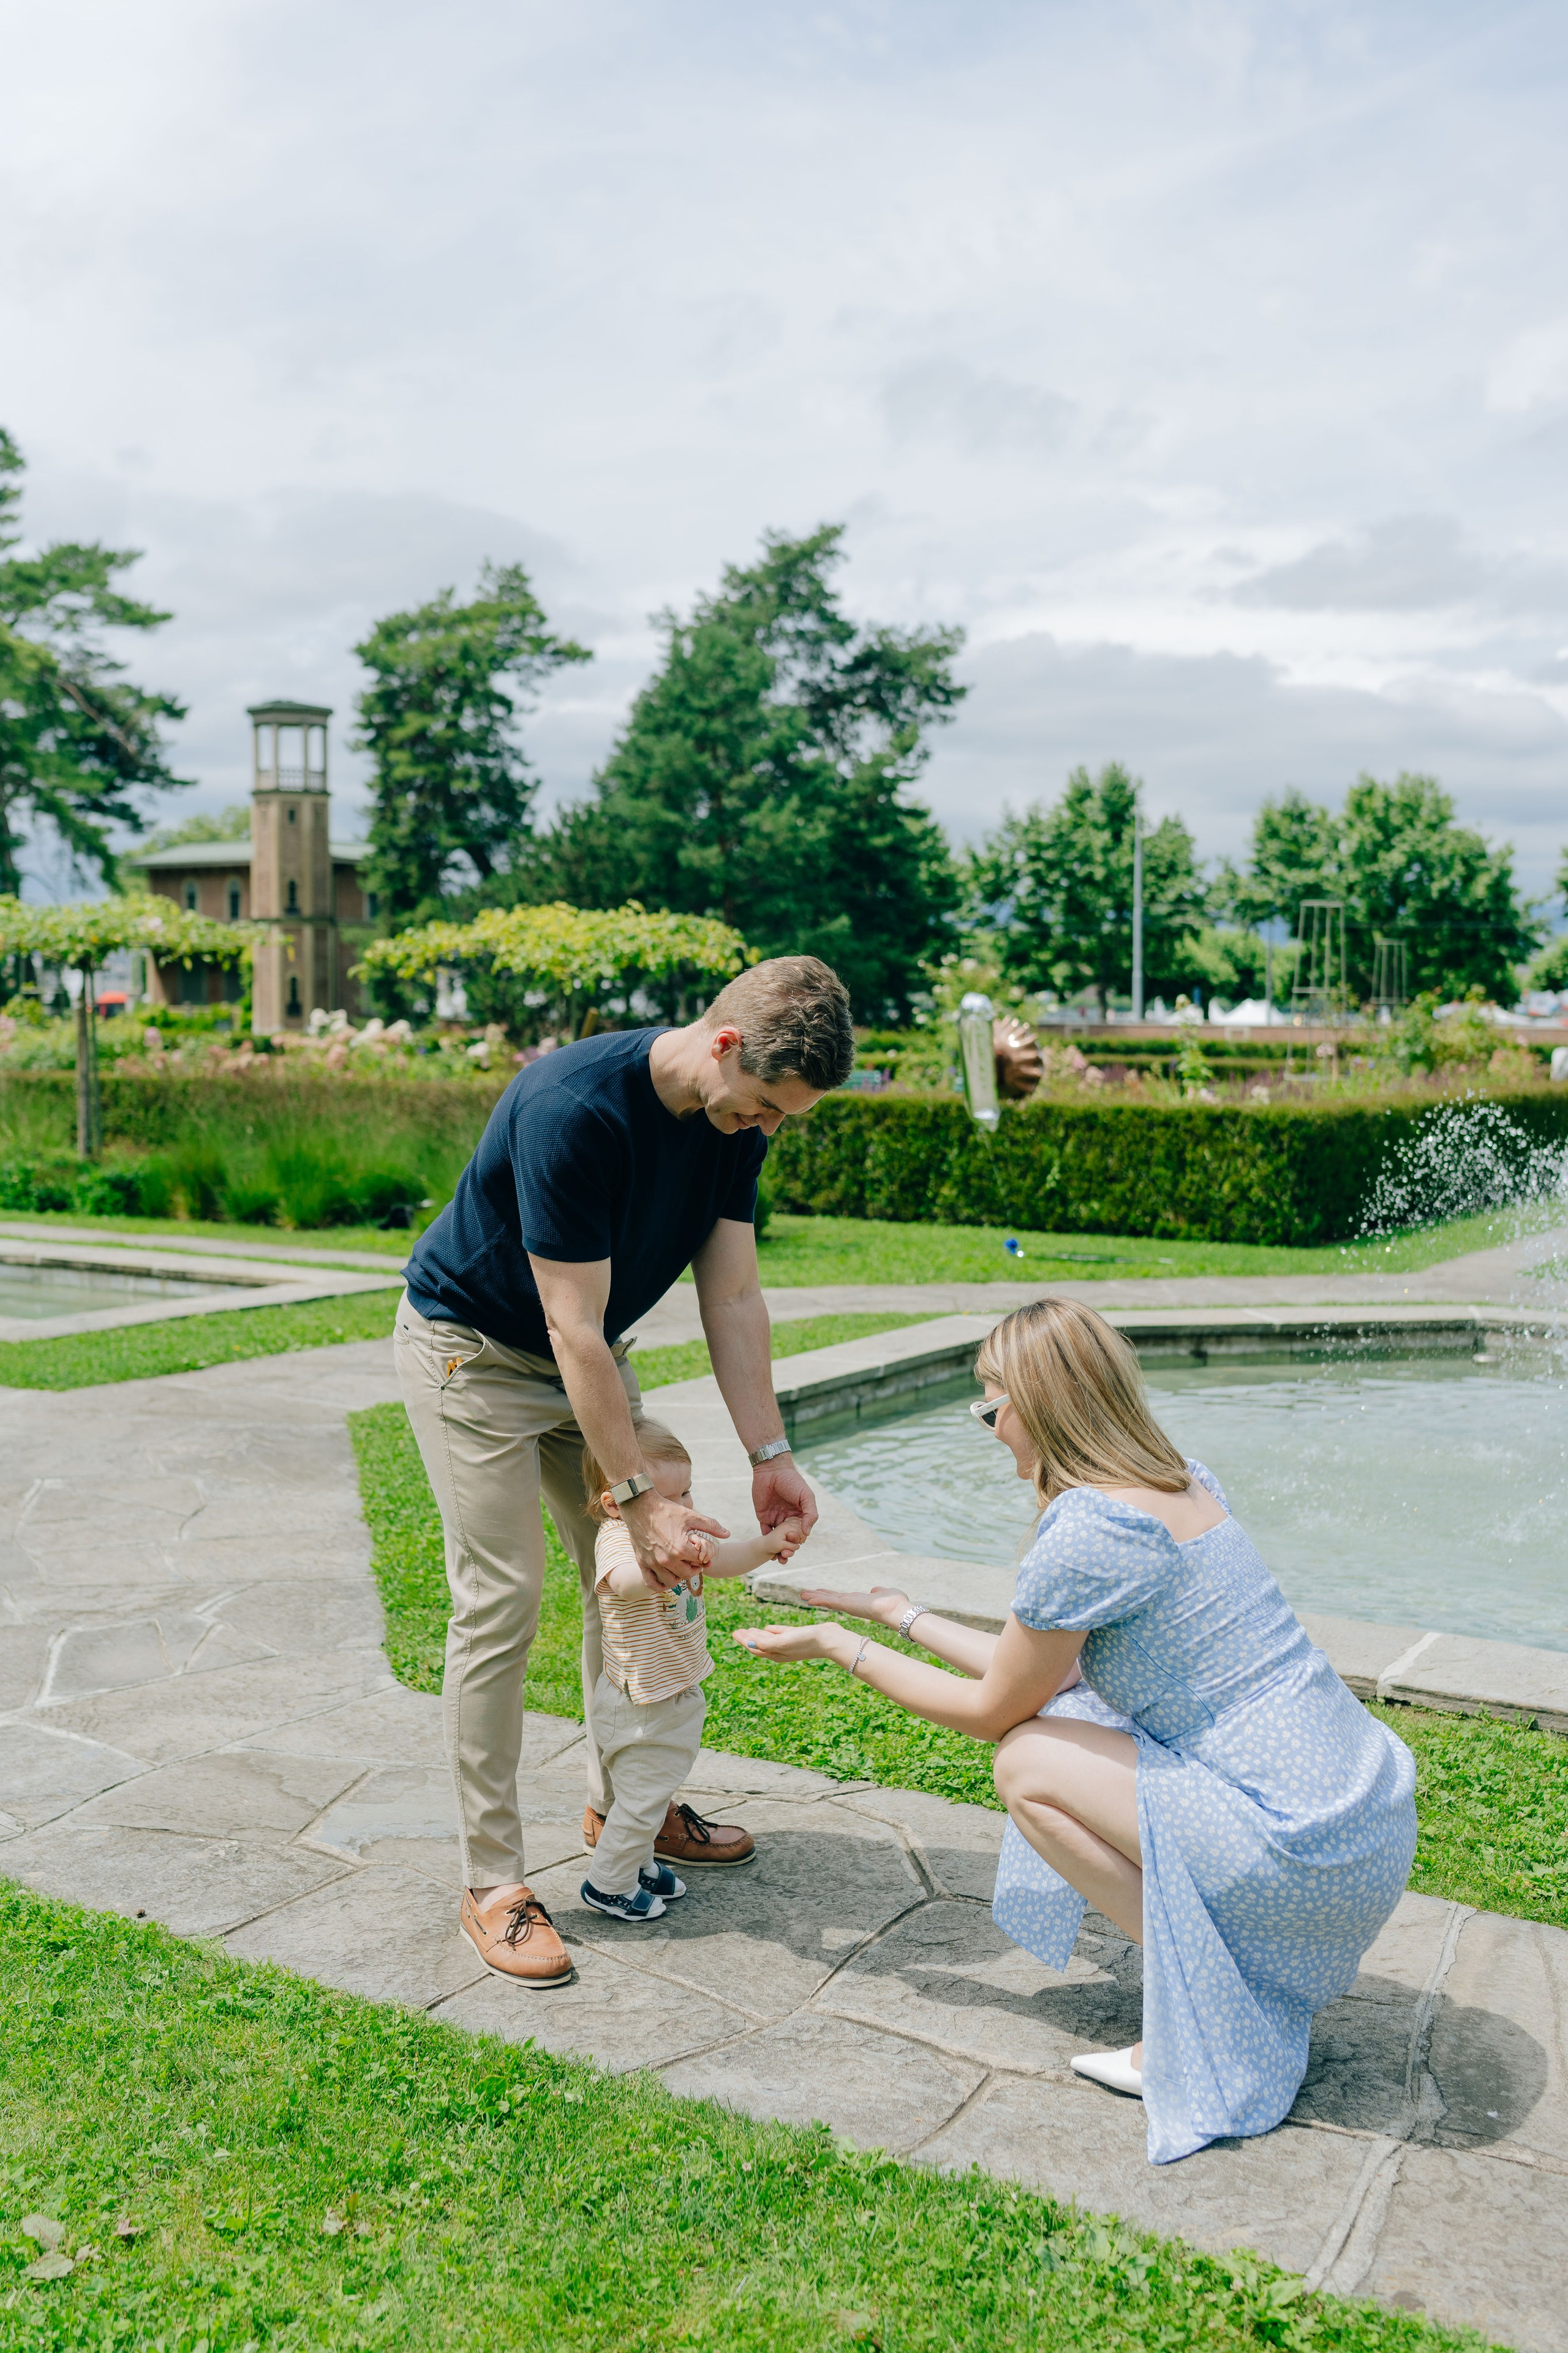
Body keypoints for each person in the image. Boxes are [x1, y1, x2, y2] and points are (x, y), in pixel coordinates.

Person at [734, 1296, 1418, 2164]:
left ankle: (1218, 2006)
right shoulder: (1174, 1482)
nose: (987, 1429)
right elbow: (1042, 1671)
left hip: (1304, 1851)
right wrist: (899, 1614)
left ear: (1040, 1401)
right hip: (1361, 1821)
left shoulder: (1093, 1530)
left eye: (990, 1404)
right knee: (1064, 1719)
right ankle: (1225, 1986)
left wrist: (841, 1646)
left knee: (1027, 1763)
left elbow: (998, 1711)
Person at [396, 957, 853, 1987]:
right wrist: (640, 1499)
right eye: (767, 1106)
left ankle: (627, 1809)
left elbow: (731, 1300)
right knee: (502, 1602)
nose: (769, 1128)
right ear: (725, 1044)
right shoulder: (573, 1110)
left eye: (788, 1116)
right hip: (476, 1356)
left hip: (588, 1361)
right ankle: (492, 1880)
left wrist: (770, 1457)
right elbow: (571, 1328)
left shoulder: (734, 1126)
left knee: (638, 1593)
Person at [578, 1417, 809, 1922]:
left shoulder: (682, 1537)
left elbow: (726, 1559)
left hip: (669, 1691)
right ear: (619, 1504)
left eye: (687, 1493)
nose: (683, 1509)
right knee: (642, 1799)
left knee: (650, 1794)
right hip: (639, 1702)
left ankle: (636, 1864)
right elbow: (627, 1582)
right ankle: (608, 1883)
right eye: (669, 1499)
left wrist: (769, 1545)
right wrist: (665, 1562)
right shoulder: (620, 1541)